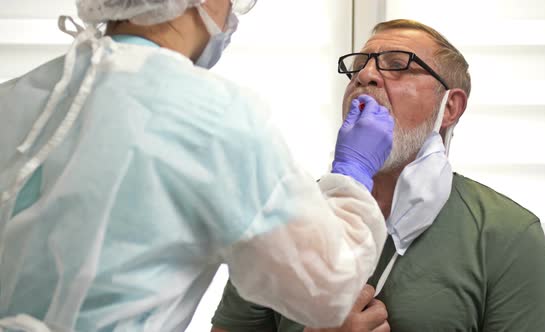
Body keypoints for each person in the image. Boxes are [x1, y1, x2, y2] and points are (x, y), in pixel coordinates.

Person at [0, 0, 397, 331]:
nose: (367, 76)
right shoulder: (215, 116)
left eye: (397, 63)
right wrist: (353, 172)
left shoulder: (17, 97)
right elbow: (328, 287)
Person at [210, 19, 545, 332]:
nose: (365, 75)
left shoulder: (508, 235)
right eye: (359, 67)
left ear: (449, 107)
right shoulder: (279, 218)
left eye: (397, 65)